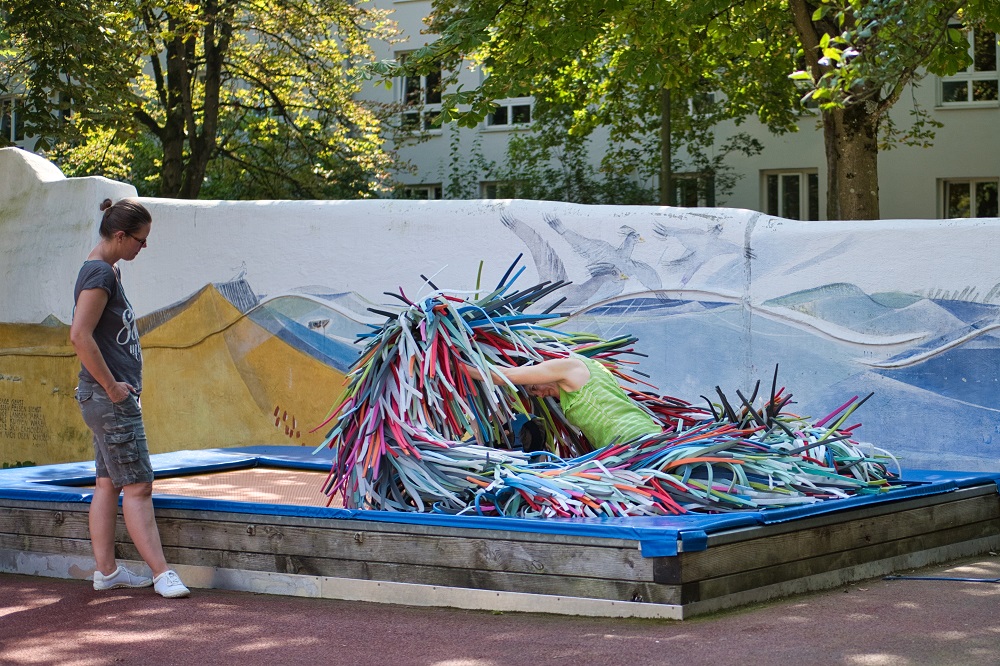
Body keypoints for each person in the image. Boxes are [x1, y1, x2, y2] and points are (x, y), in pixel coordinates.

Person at [70, 198, 190, 599]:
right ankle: (162, 574)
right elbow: (79, 336)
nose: (144, 247)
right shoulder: (100, 274)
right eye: (140, 240)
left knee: (107, 483)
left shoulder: (106, 269)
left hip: (101, 398)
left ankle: (107, 572)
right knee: (138, 486)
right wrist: (113, 387)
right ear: (119, 235)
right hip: (109, 399)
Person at [474, 355, 662, 449]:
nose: (539, 394)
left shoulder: (570, 367)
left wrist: (455, 364)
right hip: (626, 446)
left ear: (540, 370)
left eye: (533, 387)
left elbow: (504, 376)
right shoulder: (584, 371)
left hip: (635, 441)